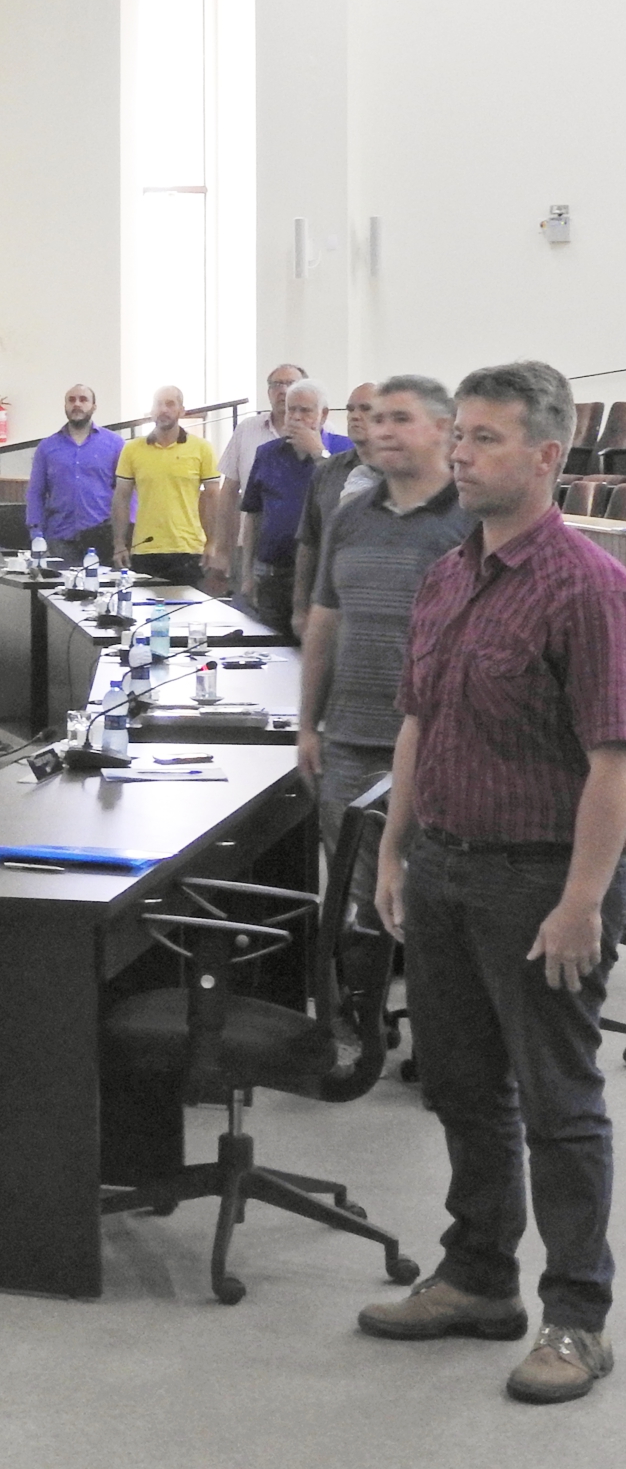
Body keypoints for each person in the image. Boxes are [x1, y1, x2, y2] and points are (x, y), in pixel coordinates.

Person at [363, 360, 626, 1405]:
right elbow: (417, 722)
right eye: (459, 435)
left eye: (484, 437)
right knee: (464, 1090)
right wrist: (394, 850)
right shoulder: (448, 574)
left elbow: (614, 762)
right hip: (442, 868)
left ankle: (577, 1317)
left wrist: (581, 902)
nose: (459, 453)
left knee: (559, 1105)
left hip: (538, 884)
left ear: (547, 455)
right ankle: (477, 1276)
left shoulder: (588, 587)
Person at [295, 375, 468, 881]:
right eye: (377, 419)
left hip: (438, 747)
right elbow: (324, 626)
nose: (382, 430)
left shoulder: (472, 519)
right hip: (348, 740)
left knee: (423, 895)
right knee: (353, 897)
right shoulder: (350, 518)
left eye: (401, 419)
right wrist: (307, 726)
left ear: (443, 429)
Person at [237, 380, 350, 635]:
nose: (296, 418)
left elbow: (343, 499)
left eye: (305, 411)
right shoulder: (267, 454)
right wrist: (247, 574)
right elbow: (253, 514)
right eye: (292, 410)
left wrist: (318, 453)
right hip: (273, 576)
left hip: (324, 578)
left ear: (323, 415)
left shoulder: (344, 451)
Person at [293, 381, 380, 638]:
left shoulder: (401, 472)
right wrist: (300, 607)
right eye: (351, 409)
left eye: (365, 408)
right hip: (329, 601)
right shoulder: (328, 471)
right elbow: (308, 542)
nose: (355, 416)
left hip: (378, 598)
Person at [110, 386, 222, 586]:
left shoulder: (202, 448)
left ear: (182, 411)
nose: (163, 409)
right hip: (144, 549)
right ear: (151, 411)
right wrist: (119, 544)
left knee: (186, 606)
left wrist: (212, 543)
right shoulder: (132, 449)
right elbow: (121, 498)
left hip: (188, 549)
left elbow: (213, 498)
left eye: (170, 404)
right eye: (158, 404)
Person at [220, 361, 309, 591]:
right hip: (251, 546)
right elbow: (229, 491)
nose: (283, 390)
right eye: (276, 384)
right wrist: (221, 547)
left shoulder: (324, 433)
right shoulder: (247, 429)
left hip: (307, 548)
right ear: (268, 392)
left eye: (291, 384)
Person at [25, 383, 123, 562]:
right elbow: (35, 493)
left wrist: (126, 533)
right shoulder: (47, 447)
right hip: (59, 539)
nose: (77, 404)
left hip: (103, 538)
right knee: (59, 581)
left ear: (94, 406)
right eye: (71, 400)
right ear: (65, 406)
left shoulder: (115, 445)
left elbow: (126, 492)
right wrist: (36, 532)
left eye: (83, 400)